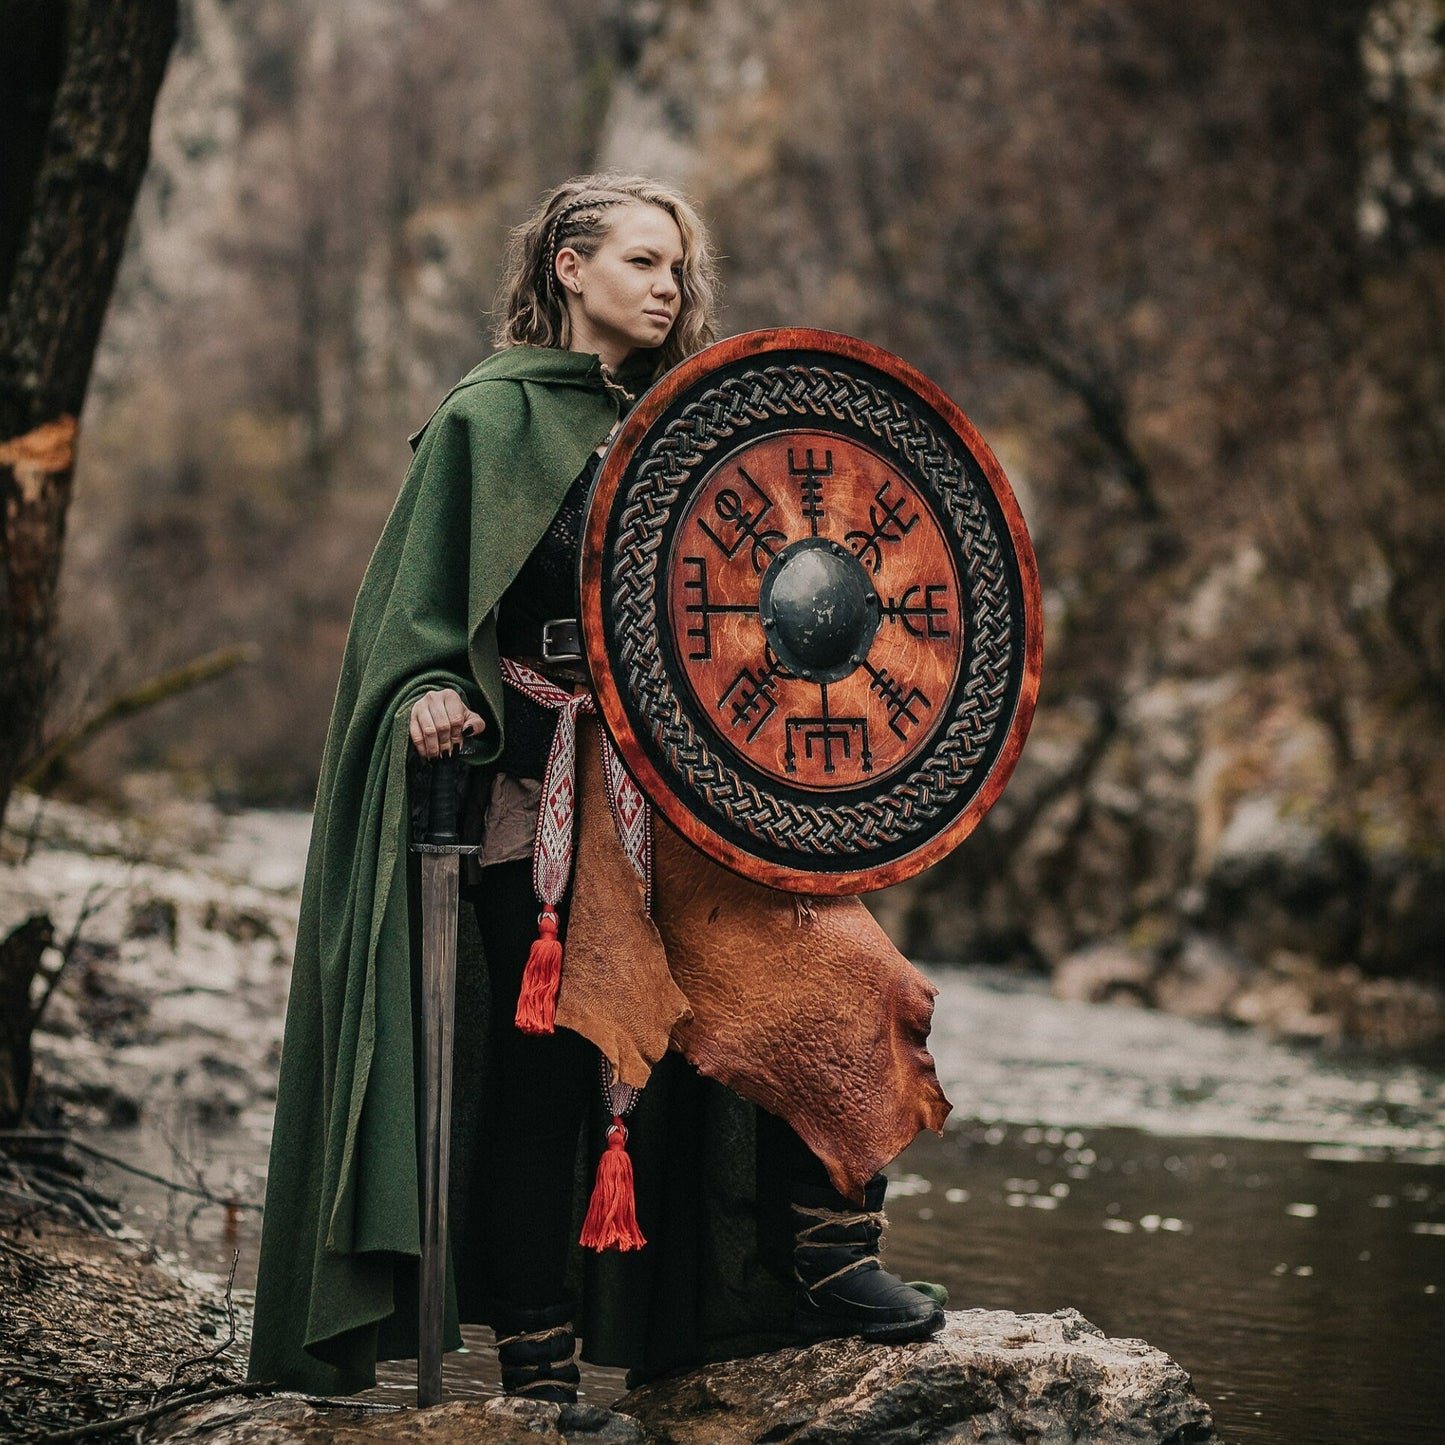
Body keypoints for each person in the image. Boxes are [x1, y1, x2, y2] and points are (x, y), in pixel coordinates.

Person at [247, 173, 944, 1404]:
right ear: (567, 268)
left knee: (853, 973)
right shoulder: (487, 419)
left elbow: (764, 601)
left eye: (676, 265)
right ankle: (534, 1360)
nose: (666, 285)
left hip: (685, 788)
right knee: (553, 1077)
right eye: (639, 260)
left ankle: (826, 1253)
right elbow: (414, 616)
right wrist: (424, 691)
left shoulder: (696, 423)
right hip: (540, 782)